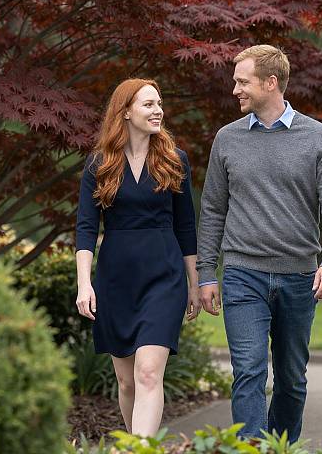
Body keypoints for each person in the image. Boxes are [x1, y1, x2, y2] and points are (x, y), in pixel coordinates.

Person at [197, 45, 322, 443]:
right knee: (248, 370)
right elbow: (212, 209)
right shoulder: (227, 139)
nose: (235, 90)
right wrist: (205, 274)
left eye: (242, 81)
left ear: (270, 83)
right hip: (241, 274)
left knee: (290, 379)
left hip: (299, 277)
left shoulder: (318, 137)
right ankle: (251, 450)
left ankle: (280, 449)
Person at [75, 78, 201, 437]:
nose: (158, 110)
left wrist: (194, 284)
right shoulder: (98, 164)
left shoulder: (175, 160)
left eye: (159, 103)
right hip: (115, 280)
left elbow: (186, 227)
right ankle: (135, 442)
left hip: (164, 277)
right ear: (126, 111)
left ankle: (138, 449)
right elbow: (85, 227)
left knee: (148, 372)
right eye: (148, 104)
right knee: (127, 381)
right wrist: (85, 284)